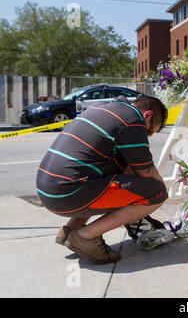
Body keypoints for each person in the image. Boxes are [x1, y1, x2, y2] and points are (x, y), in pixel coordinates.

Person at [36, 95, 169, 264]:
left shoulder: (102, 106)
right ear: (147, 115)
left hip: (48, 190)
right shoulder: (132, 120)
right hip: (67, 194)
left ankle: (70, 230)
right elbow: (145, 172)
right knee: (157, 192)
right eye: (150, 130)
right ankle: (86, 236)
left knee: (119, 172)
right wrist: (162, 190)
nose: (146, 135)